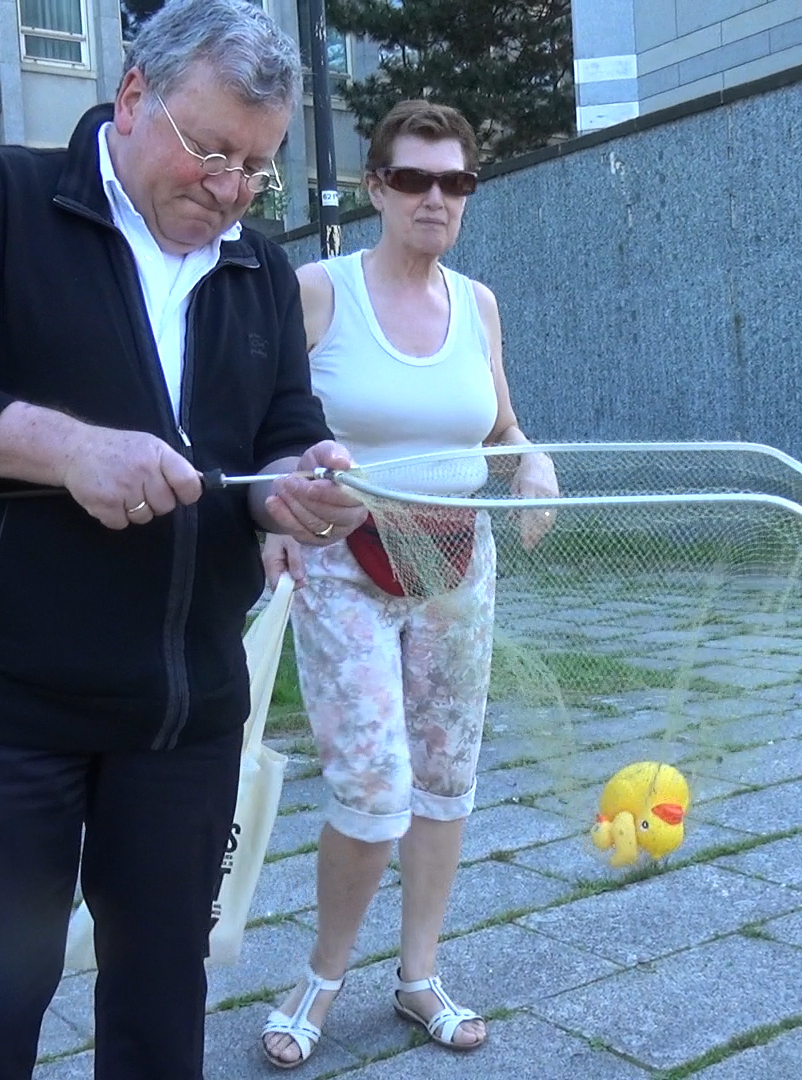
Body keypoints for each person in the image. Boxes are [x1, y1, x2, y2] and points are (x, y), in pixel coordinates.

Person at [0, 2, 365, 1077]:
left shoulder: (255, 269)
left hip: (182, 717)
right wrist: (63, 449)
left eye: (259, 167)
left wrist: (298, 484)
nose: (229, 189)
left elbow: (277, 427)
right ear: (131, 98)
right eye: (209, 149)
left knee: (166, 1017)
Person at [255, 100, 557, 1069]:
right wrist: (275, 513)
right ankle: (323, 974)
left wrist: (532, 463)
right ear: (377, 186)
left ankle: (419, 975)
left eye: (456, 181)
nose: (436, 197)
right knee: (373, 782)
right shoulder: (318, 292)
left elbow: (501, 429)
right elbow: (261, 429)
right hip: (347, 560)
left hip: (457, 560)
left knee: (445, 777)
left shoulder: (479, 305)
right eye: (415, 179)